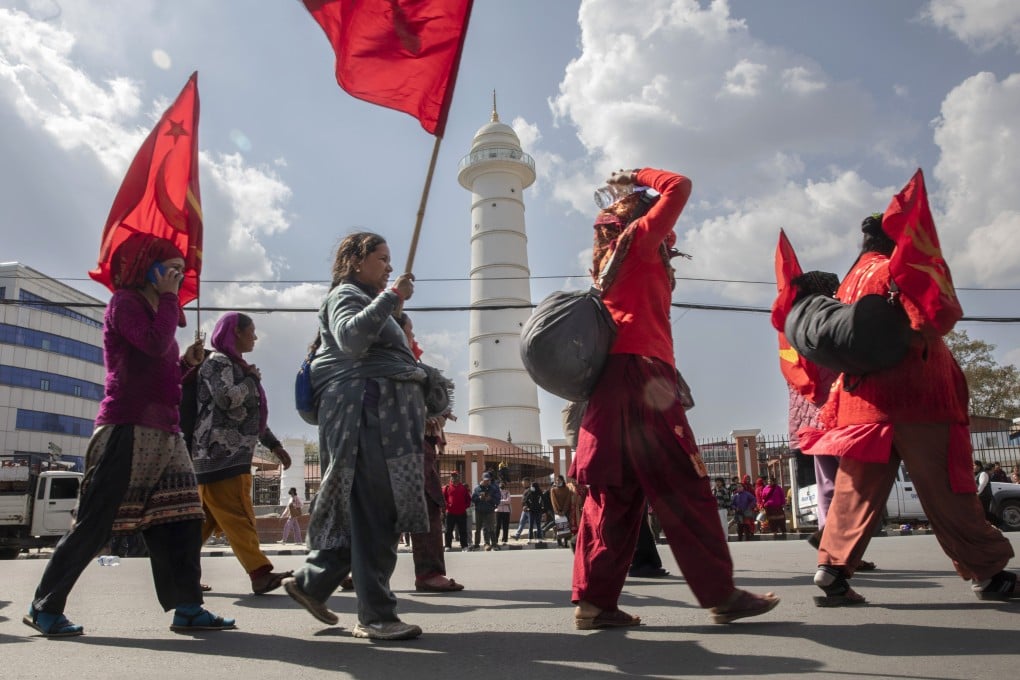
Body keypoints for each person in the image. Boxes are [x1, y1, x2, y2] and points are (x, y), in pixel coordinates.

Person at [570, 167, 779, 630]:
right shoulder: (641, 241)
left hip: (611, 384)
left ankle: (594, 603)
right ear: (646, 217)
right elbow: (680, 185)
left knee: (613, 496)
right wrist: (637, 173)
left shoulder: (609, 260)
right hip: (642, 376)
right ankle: (721, 594)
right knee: (686, 486)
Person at [797, 214, 1018, 605]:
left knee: (856, 493)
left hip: (861, 406)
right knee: (950, 490)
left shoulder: (850, 281)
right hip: (920, 398)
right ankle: (989, 573)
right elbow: (931, 318)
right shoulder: (899, 270)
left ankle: (830, 570)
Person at [25, 234, 235, 637]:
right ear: (149, 270)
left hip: (165, 432)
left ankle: (188, 606)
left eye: (180, 270)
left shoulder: (155, 307)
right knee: (96, 521)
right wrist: (172, 299)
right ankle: (45, 605)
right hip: (127, 428)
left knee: (183, 517)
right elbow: (155, 345)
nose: (177, 276)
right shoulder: (125, 303)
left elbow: (160, 370)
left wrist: (186, 365)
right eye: (171, 269)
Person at [282, 231, 427, 641]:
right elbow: (352, 338)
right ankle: (377, 615)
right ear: (356, 261)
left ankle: (313, 583)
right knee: (375, 513)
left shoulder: (368, 299)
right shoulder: (347, 295)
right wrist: (392, 297)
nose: (389, 266)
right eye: (382, 258)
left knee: (367, 514)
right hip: (363, 417)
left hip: (380, 417)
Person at [193, 312, 293, 595]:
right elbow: (226, 399)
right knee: (239, 514)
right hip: (222, 455)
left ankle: (181, 573)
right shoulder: (218, 363)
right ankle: (260, 573)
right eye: (252, 330)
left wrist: (273, 445)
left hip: (223, 455)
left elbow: (249, 415)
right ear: (236, 332)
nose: (255, 337)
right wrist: (250, 381)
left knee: (203, 523)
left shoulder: (234, 365)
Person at [396, 312, 463, 593]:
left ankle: (355, 569)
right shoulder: (400, 367)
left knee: (388, 510)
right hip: (409, 447)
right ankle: (428, 573)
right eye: (409, 332)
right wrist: (433, 414)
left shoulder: (395, 364)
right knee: (424, 504)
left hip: (401, 446)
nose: (414, 338)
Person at [471, 473, 500, 550]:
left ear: (490, 480)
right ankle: (476, 544)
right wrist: (479, 498)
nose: (487, 482)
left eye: (488, 480)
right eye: (485, 480)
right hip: (479, 511)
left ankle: (492, 544)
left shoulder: (493, 489)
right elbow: (473, 499)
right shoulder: (477, 489)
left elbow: (497, 500)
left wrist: (490, 499)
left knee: (490, 528)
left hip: (489, 511)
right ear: (482, 480)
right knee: (478, 528)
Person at [443, 472, 471, 551]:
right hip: (450, 513)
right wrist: (447, 506)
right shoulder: (447, 487)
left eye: (456, 476)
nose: (454, 478)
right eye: (453, 477)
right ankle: (448, 546)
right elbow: (443, 499)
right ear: (451, 478)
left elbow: (468, 500)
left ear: (458, 478)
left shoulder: (463, 488)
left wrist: (464, 507)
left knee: (462, 530)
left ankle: (464, 546)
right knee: (448, 530)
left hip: (461, 513)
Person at [550, 475, 573, 547]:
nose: (557, 482)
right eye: (556, 480)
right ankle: (559, 542)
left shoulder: (567, 489)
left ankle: (566, 542)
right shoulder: (553, 489)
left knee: (566, 527)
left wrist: (564, 511)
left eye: (559, 480)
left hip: (566, 512)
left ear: (563, 481)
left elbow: (568, 500)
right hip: (557, 511)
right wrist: (558, 511)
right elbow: (554, 501)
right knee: (558, 526)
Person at [975, 460, 995, 524]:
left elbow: (982, 485)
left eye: (974, 465)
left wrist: (977, 494)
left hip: (983, 497)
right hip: (982, 496)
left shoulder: (983, 474)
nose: (973, 467)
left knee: (983, 513)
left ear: (979, 466)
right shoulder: (981, 474)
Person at [496, 479, 512, 545]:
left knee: (505, 526)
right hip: (498, 511)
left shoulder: (507, 492)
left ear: (505, 485)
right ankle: (495, 539)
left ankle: (505, 540)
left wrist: (501, 501)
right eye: (500, 484)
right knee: (498, 526)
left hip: (506, 511)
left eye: (503, 484)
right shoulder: (497, 492)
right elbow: (496, 501)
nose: (501, 485)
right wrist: (504, 501)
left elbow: (508, 501)